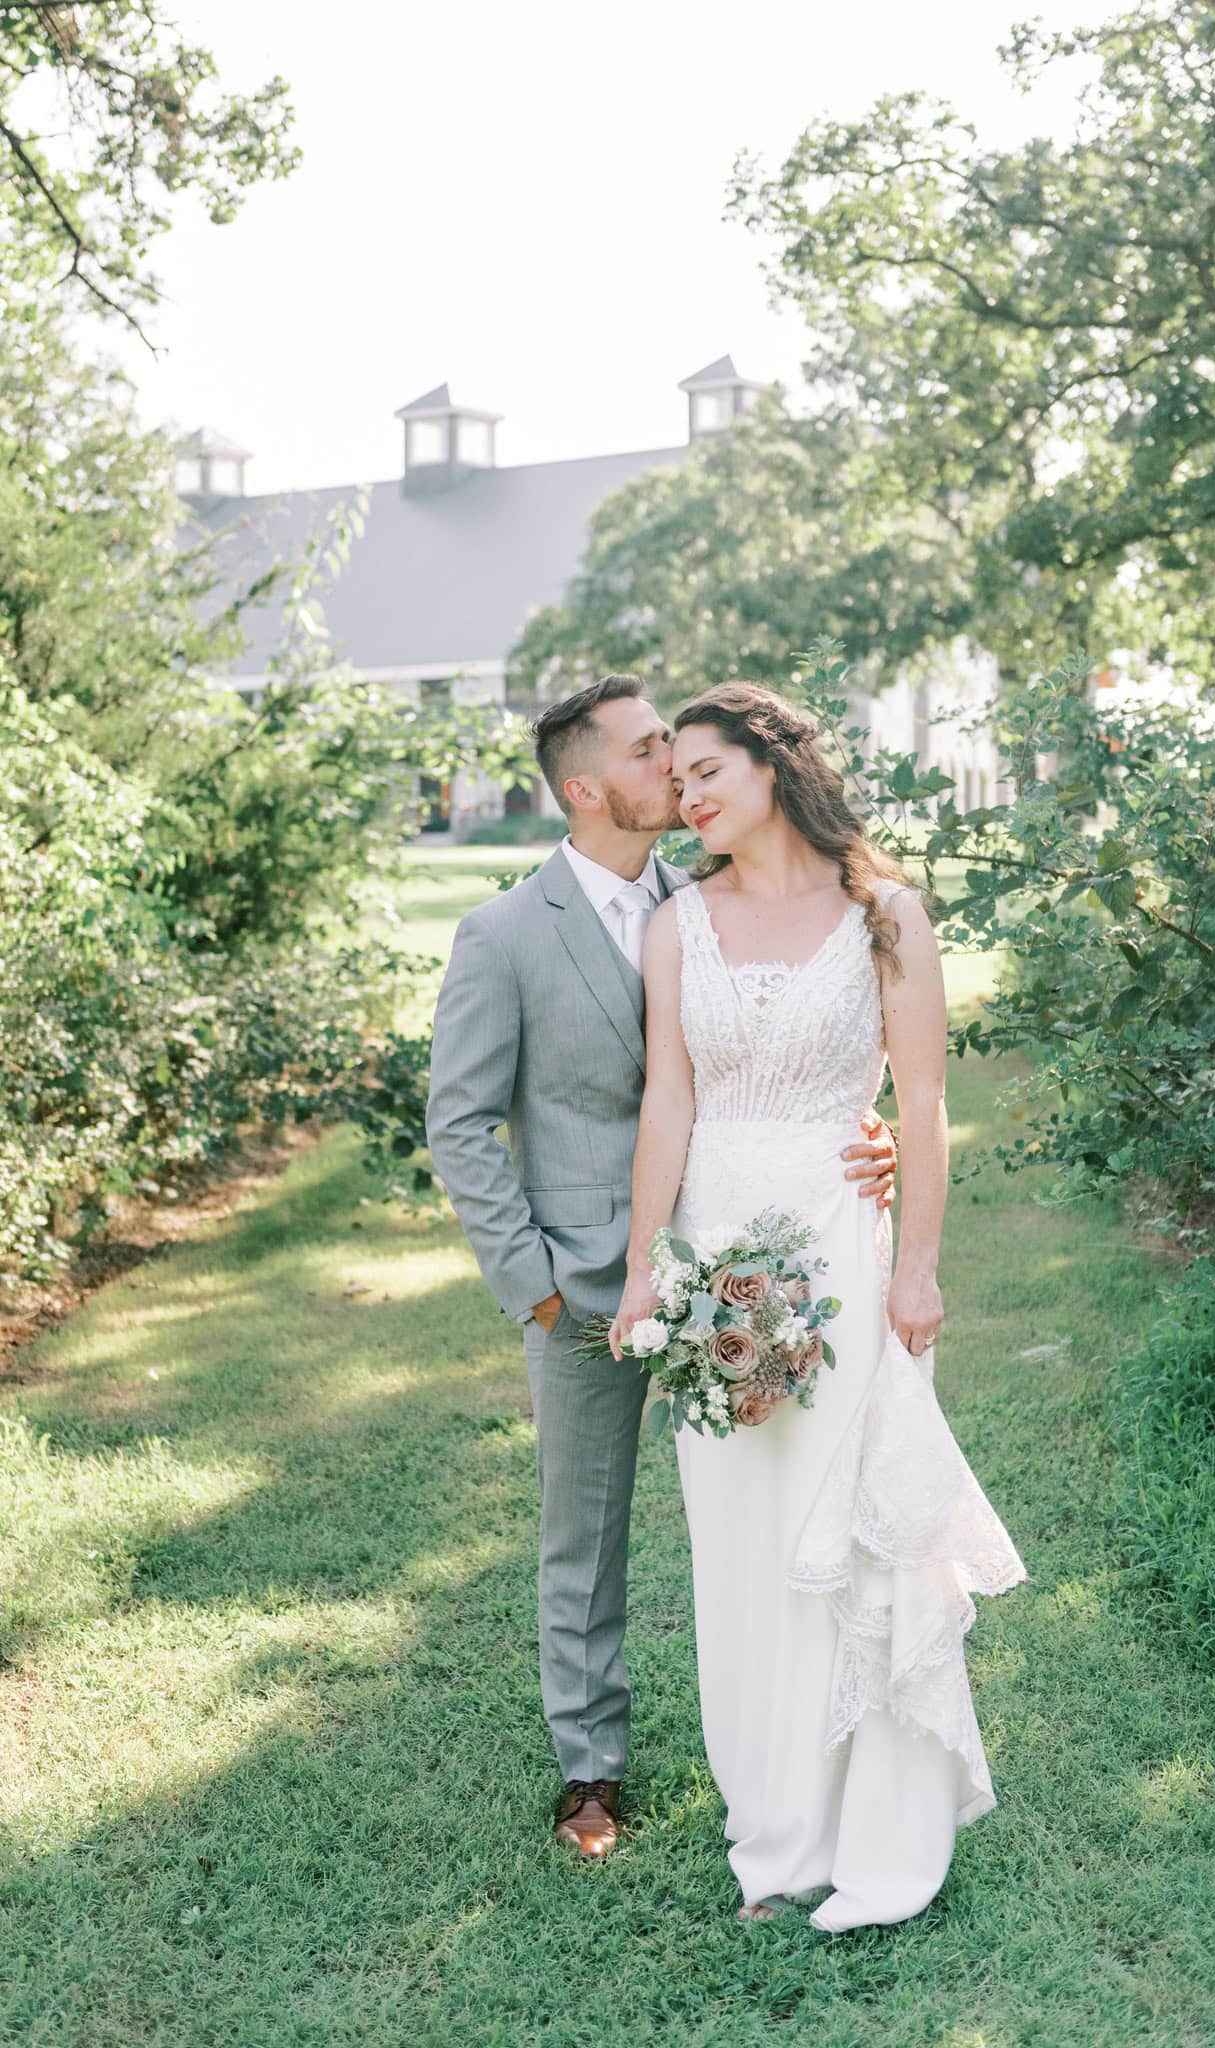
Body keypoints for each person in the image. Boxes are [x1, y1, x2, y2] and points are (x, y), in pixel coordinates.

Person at [424, 674, 898, 1860]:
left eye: (687, 760)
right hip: (586, 1281)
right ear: (586, 788)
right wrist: (530, 1278)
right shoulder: (503, 933)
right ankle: (591, 1769)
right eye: (650, 756)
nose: (676, 776)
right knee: (581, 1531)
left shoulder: (712, 898)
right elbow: (459, 1120)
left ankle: (804, 1748)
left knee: (777, 1508)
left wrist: (863, 1127)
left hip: (751, 1264)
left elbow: (792, 1033)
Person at [609, 681, 1028, 1932]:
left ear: (773, 762)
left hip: (844, 1249)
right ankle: (779, 1833)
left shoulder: (886, 914)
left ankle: (882, 1841)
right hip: (714, 1258)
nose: (685, 796)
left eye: (703, 770)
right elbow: (666, 1106)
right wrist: (645, 1270)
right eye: (674, 778)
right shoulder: (680, 920)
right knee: (741, 1549)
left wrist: (916, 1264)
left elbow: (923, 1101)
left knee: (856, 1527)